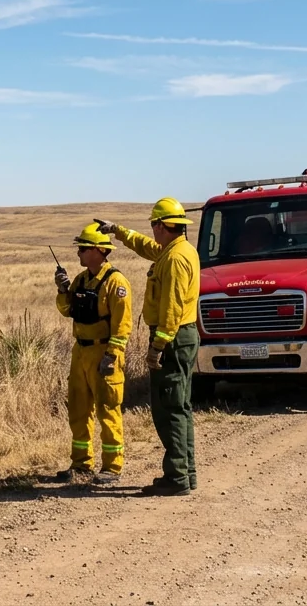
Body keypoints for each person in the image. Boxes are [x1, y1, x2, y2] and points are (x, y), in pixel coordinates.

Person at [95, 199, 200, 497]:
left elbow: (172, 307)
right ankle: (185, 473)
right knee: (180, 406)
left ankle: (177, 476)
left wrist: (158, 346)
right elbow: (144, 247)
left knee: (169, 409)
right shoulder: (176, 250)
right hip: (180, 336)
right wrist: (117, 231)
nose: (151, 231)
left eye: (153, 225)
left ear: (161, 226)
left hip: (173, 338)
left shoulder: (176, 259)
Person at [53, 223, 132, 486]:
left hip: (104, 352)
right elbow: (67, 311)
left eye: (84, 248)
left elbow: (123, 325)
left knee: (107, 409)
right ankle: (81, 464)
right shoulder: (80, 280)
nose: (79, 254)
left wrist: (112, 355)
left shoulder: (116, 282)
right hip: (80, 351)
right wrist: (63, 290)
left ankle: (112, 466)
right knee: (78, 408)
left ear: (99, 250)